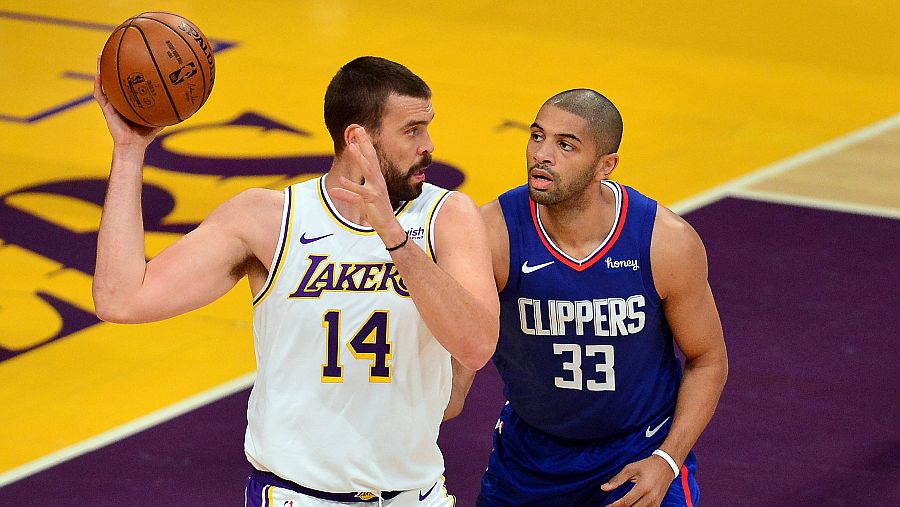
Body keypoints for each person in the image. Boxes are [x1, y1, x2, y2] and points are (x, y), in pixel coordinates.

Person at [91, 56, 499, 506]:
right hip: (296, 497)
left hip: (412, 495)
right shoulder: (269, 218)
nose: (429, 145)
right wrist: (129, 152)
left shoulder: (447, 217)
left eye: (426, 128)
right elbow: (121, 299)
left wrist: (394, 236)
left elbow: (477, 345)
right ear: (357, 138)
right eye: (412, 130)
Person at [466, 89, 728, 506]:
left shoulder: (665, 242)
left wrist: (667, 459)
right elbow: (460, 353)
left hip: (638, 452)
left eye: (565, 145)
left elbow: (708, 359)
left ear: (605, 165)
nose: (542, 154)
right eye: (537, 137)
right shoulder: (491, 234)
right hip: (531, 457)